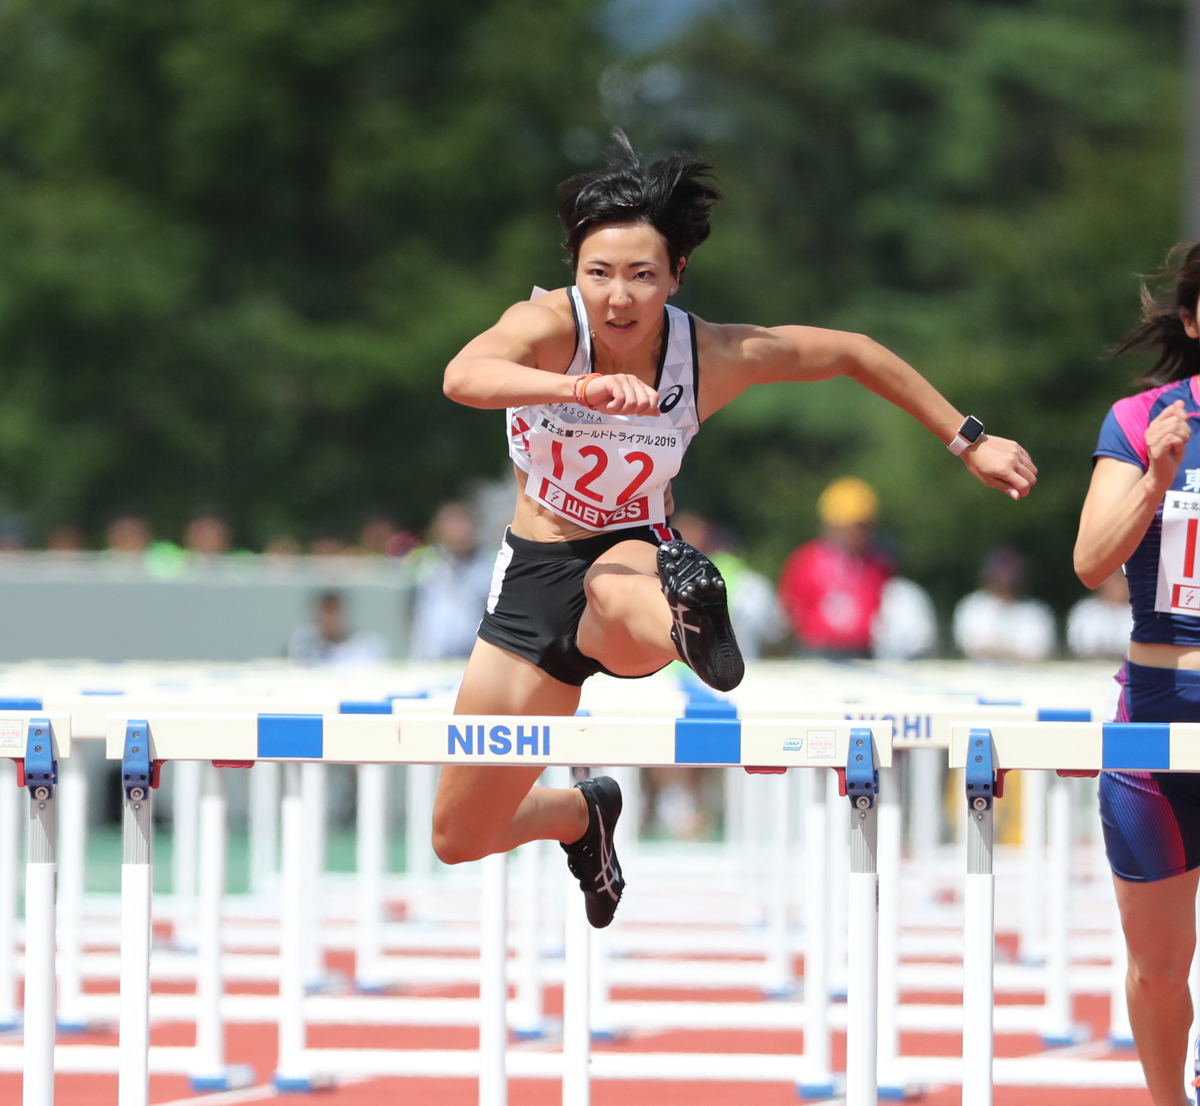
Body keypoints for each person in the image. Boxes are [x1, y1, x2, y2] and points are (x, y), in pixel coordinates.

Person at [435, 129, 1035, 929]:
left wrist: (971, 439)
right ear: (575, 273)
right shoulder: (547, 326)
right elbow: (463, 376)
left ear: (677, 275)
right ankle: (584, 814)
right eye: (599, 274)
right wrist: (579, 390)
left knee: (616, 582)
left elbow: (853, 352)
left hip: (634, 556)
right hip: (531, 578)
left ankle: (691, 621)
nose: (618, 297)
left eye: (642, 276)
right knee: (457, 835)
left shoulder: (709, 356)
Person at [1074, 240, 1200, 1106]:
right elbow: (1089, 561)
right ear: (1193, 320)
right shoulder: (1142, 419)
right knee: (1158, 972)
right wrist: (1156, 478)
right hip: (1157, 715)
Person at [777, 477, 894, 658]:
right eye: (854, 526)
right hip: (815, 653)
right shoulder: (804, 562)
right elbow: (788, 616)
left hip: (865, 652)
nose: (858, 534)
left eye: (864, 526)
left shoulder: (879, 563)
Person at [672, 511, 788, 659]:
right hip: (726, 672)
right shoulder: (742, 578)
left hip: (671, 676)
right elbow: (773, 632)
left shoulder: (652, 577)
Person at [408, 502, 495, 661]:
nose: (456, 530)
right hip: (431, 657)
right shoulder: (426, 564)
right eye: (449, 524)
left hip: (472, 658)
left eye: (460, 523)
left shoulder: (490, 566)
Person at [952, 547, 1056, 662]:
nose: (1004, 584)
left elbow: (1038, 653)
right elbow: (969, 647)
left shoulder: (1036, 612)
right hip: (978, 676)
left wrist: (998, 652)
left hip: (1025, 677)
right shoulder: (971, 607)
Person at [288, 591, 387, 666]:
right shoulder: (303, 645)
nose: (329, 619)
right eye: (324, 613)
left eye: (333, 612)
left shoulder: (367, 646)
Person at [1067, 570, 1133, 660]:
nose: (1115, 586)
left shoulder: (1139, 613)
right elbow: (1074, 650)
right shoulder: (1084, 612)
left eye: (1120, 580)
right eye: (1111, 581)